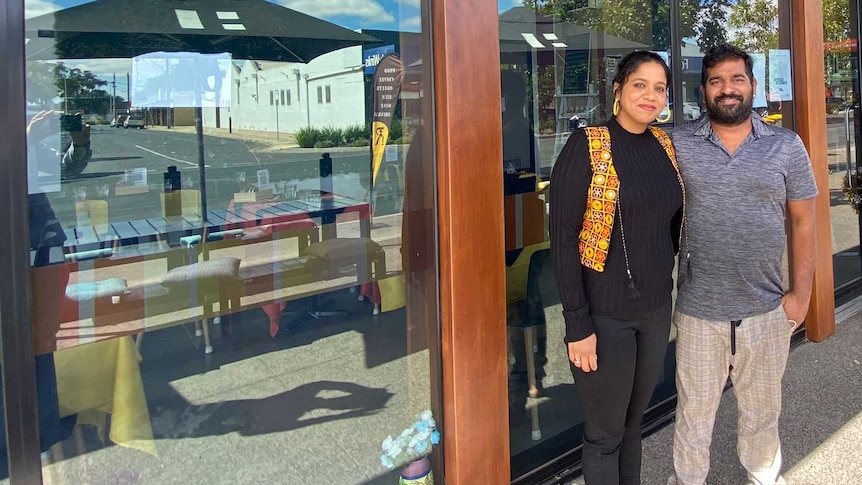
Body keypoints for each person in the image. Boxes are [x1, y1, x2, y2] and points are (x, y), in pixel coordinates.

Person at [668, 44, 817, 485]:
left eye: (736, 79)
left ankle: (762, 474)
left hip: (768, 310)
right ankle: (688, 480)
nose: (727, 89)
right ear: (703, 90)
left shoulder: (785, 145)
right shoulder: (679, 143)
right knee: (694, 413)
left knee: (762, 409)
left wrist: (802, 295)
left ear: (753, 86)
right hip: (699, 310)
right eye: (716, 81)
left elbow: (804, 220)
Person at [550, 50, 684, 485]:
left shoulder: (664, 144)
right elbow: (564, 240)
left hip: (655, 308)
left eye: (659, 87)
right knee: (605, 432)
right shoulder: (587, 144)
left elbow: (672, 222)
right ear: (618, 91)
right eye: (640, 85)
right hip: (604, 317)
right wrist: (577, 324)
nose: (650, 95)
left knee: (633, 424)